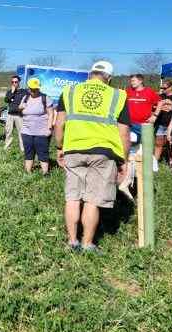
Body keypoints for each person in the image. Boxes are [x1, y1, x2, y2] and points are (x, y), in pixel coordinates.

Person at [54, 61, 130, 253]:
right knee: (92, 200)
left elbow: (59, 123)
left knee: (72, 197)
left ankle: (72, 242)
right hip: (103, 153)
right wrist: (124, 160)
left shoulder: (70, 92)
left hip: (73, 149)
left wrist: (59, 147)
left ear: (90, 75)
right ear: (109, 78)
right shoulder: (118, 95)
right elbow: (124, 133)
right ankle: (87, 244)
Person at [18, 78, 54, 175]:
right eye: (32, 89)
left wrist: (49, 128)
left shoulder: (45, 98)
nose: (34, 91)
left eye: (36, 89)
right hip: (26, 131)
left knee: (43, 153)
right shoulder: (25, 98)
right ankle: (28, 172)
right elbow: (20, 111)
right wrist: (20, 108)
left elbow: (51, 114)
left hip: (41, 132)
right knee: (28, 152)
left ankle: (45, 173)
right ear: (28, 89)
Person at [154, 80, 172, 162]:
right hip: (160, 124)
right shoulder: (160, 96)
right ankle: (155, 162)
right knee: (158, 143)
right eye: (161, 87)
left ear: (171, 87)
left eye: (164, 88)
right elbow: (153, 106)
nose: (162, 89)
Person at [4, 75, 27, 152]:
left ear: (19, 82)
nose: (14, 83)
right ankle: (7, 148)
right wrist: (12, 92)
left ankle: (23, 149)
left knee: (21, 133)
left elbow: (27, 102)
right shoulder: (9, 92)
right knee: (8, 132)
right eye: (12, 82)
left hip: (19, 115)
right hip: (10, 115)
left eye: (16, 82)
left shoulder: (24, 91)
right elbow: (6, 100)